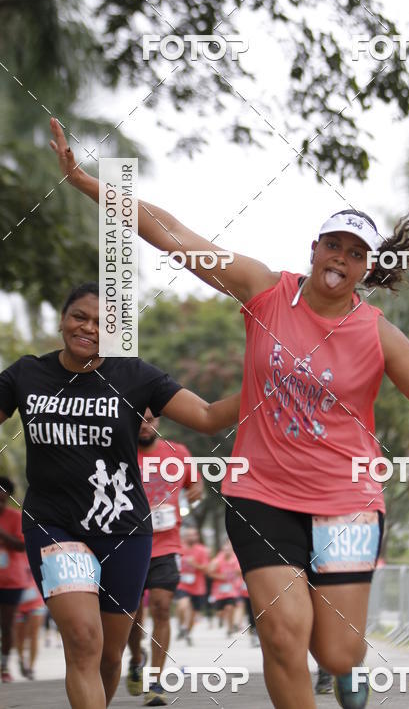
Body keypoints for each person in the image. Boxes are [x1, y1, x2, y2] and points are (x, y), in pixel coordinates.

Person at [50, 117, 409, 709]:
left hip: (348, 503)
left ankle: (349, 673)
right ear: (315, 248)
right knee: (282, 635)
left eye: (356, 254)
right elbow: (174, 233)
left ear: (364, 269)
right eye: (333, 245)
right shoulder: (262, 289)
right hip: (261, 496)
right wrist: (86, 182)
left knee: (337, 653)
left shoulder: (380, 335)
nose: (341, 259)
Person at [0, 279, 240, 709]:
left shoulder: (136, 377)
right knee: (83, 640)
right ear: (62, 319)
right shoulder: (26, 374)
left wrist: (269, 384)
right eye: (79, 316)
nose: (88, 328)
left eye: (101, 322)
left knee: (110, 657)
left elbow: (206, 416)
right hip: (54, 526)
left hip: (124, 531)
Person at [126, 410, 203, 707]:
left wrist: (196, 490)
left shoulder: (178, 453)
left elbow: (194, 484)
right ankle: (136, 659)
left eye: (150, 420)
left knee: (161, 608)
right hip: (130, 545)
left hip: (167, 546)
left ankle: (155, 681)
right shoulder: (122, 452)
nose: (145, 426)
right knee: (133, 616)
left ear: (159, 421)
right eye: (139, 420)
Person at [0, 477, 27, 681]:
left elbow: (21, 546)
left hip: (11, 581)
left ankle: (4, 666)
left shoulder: (16, 517)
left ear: (8, 497)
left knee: (7, 625)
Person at [175, 526, 211, 644]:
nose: (191, 537)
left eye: (193, 534)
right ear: (184, 536)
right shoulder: (179, 548)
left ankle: (187, 632)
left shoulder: (202, 550)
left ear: (197, 537)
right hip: (182, 584)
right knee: (183, 606)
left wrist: (194, 564)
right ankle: (181, 626)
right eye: (189, 534)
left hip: (198, 587)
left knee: (193, 614)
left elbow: (206, 569)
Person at [14, 556, 46, 679]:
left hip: (36, 602)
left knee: (34, 634)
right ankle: (22, 659)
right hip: (18, 604)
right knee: (19, 636)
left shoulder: (34, 551)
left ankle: (31, 668)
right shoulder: (12, 552)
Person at [208, 540, 241, 637]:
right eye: (225, 549)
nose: (227, 551)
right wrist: (220, 576)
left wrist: (236, 571)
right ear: (223, 549)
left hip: (232, 590)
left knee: (230, 608)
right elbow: (209, 572)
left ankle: (230, 629)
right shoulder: (217, 560)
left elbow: (239, 571)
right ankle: (221, 618)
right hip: (219, 591)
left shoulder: (235, 559)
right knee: (220, 612)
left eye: (229, 549)